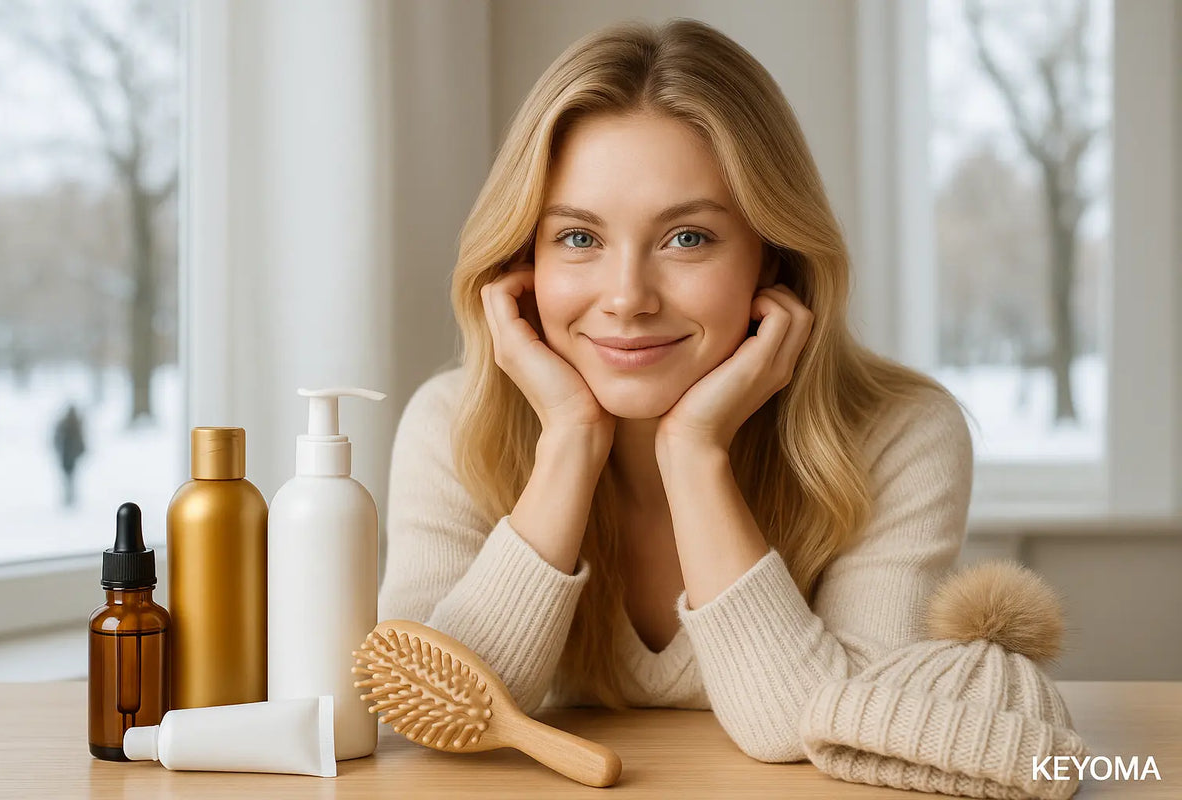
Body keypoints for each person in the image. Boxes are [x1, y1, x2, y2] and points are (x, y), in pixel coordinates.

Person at [378, 18, 974, 763]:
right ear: (523, 259)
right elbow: (426, 716)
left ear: (773, 259)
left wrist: (695, 456)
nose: (627, 297)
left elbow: (828, 732)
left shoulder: (901, 434)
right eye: (578, 238)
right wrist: (568, 442)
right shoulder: (451, 425)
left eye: (687, 238)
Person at [53, 403, 87, 507]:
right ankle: (69, 496)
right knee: (69, 477)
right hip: (66, 455)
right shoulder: (67, 425)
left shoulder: (74, 425)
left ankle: (70, 496)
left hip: (70, 456)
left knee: (70, 477)